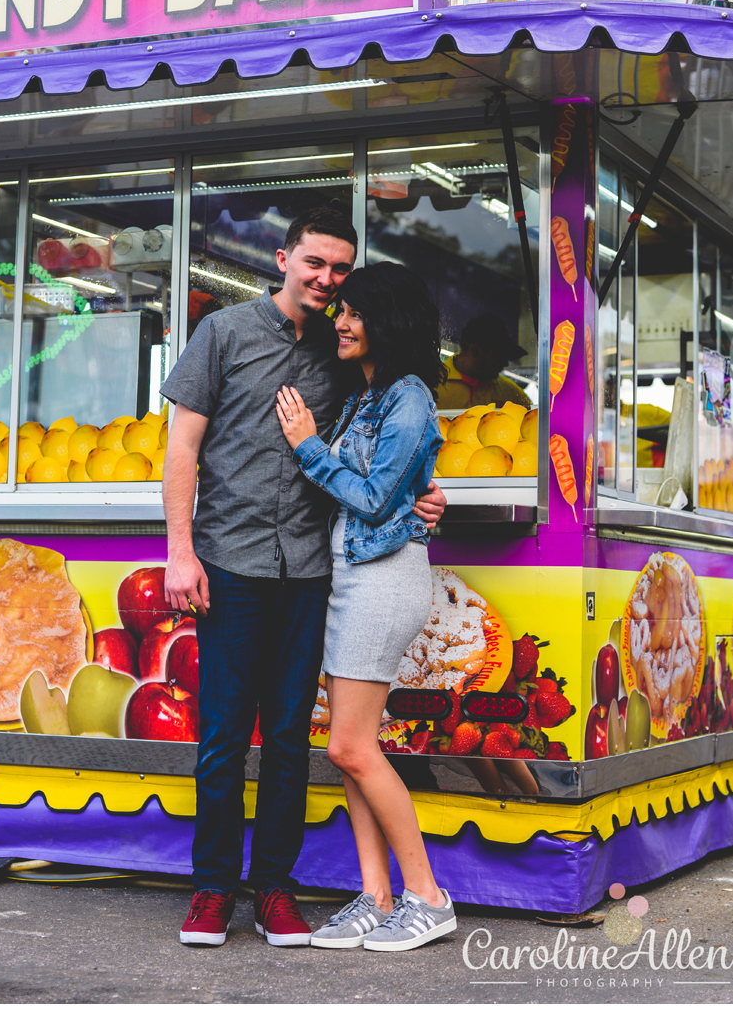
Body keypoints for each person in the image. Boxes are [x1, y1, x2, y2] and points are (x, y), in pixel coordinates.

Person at [159, 207, 446, 949]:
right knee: (223, 735)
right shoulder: (221, 334)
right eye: (314, 263)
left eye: (339, 270)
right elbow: (182, 447)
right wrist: (180, 551)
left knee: (290, 737)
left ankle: (275, 893)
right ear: (282, 258)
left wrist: (423, 491)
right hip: (230, 559)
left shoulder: (344, 344)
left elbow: (390, 438)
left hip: (314, 568)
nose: (326, 281)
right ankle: (213, 890)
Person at [274, 262, 457, 952]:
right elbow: (398, 487)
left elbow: (378, 498)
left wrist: (308, 449)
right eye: (339, 311)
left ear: (391, 321)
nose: (340, 322)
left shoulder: (407, 396)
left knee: (348, 746)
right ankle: (376, 897)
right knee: (358, 750)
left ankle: (429, 897)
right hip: (353, 575)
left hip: (382, 579)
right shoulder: (367, 395)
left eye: (353, 312)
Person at [435, 313, 530, 409]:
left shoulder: (512, 395)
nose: (505, 364)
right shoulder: (434, 385)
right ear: (475, 351)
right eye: (499, 356)